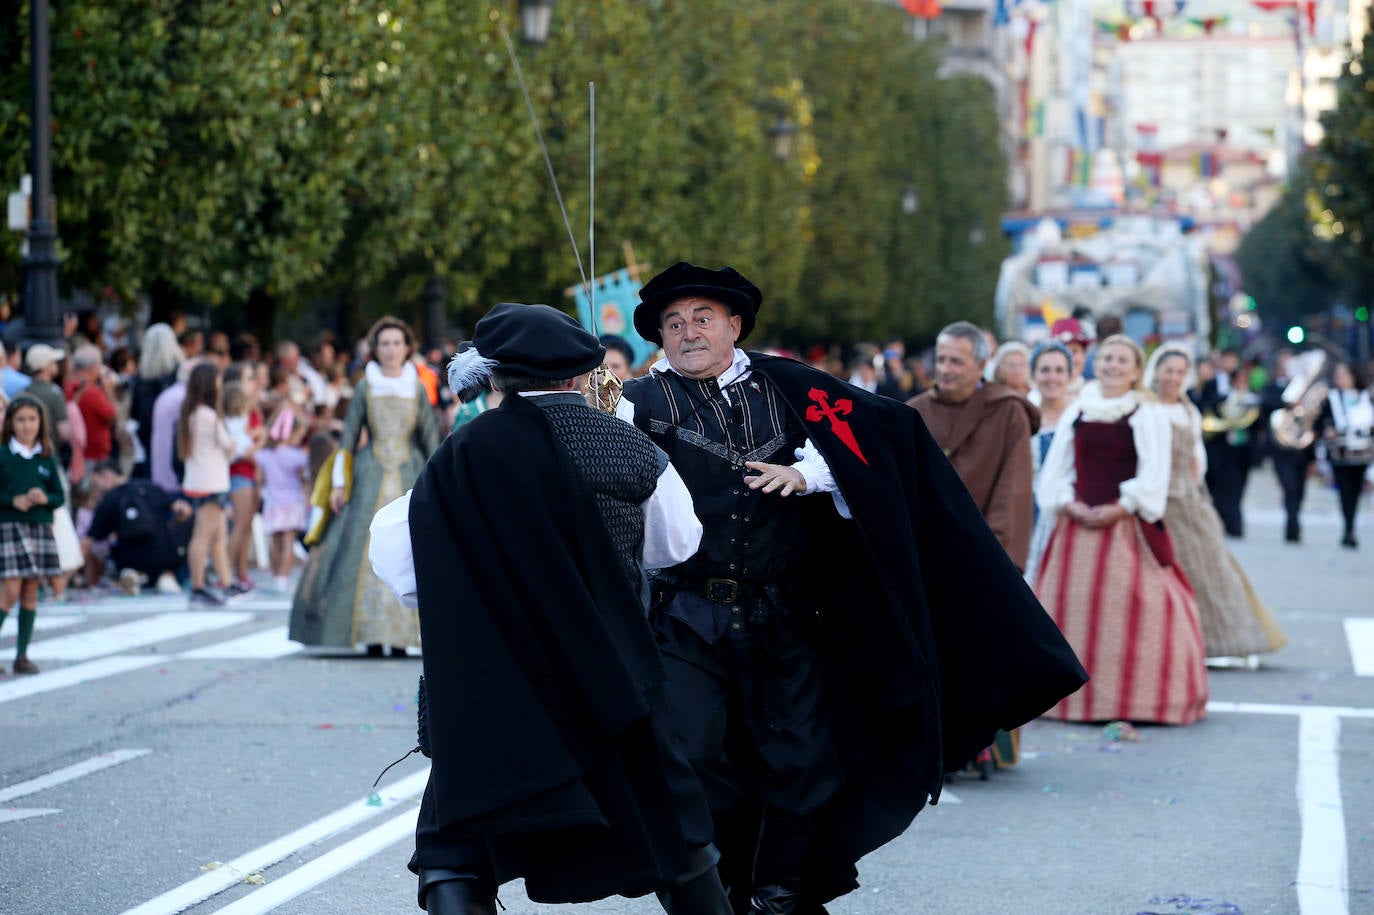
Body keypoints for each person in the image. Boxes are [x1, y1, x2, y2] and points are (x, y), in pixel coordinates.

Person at [620, 262, 1087, 912]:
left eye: (702, 317)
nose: (687, 331)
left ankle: (777, 895)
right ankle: (707, 895)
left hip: (784, 615)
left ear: (734, 324)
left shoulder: (789, 388)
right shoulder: (634, 404)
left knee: (802, 761)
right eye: (674, 323)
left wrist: (810, 475)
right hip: (687, 615)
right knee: (694, 760)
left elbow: (879, 437)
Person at [369, 302, 731, 915]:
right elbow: (679, 545)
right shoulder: (626, 445)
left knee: (454, 847)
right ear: (577, 376)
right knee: (671, 825)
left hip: (493, 691)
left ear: (497, 378)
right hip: (609, 681)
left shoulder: (461, 454)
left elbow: (398, 561)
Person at [1034, 335, 1208, 725]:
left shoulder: (1147, 412)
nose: (1112, 365)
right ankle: (1065, 700)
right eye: (1107, 358)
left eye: (1121, 360)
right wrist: (1067, 501)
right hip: (1075, 525)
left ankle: (1132, 702)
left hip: (1124, 526)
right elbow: (1057, 467)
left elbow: (1154, 472)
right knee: (1067, 611)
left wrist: (1123, 505)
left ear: (1135, 370)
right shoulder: (1078, 409)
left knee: (1136, 610)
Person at [289, 317, 440, 656]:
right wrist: (340, 484)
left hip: (408, 470)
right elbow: (346, 438)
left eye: (396, 343)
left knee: (407, 548)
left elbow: (430, 439)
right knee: (364, 549)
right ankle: (370, 634)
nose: (390, 350)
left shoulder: (415, 387)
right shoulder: (365, 386)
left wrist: (438, 481)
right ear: (376, 349)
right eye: (384, 343)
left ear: (406, 348)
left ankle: (402, 636)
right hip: (369, 472)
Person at [1146, 344, 1287, 662]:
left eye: (1180, 372)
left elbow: (1198, 458)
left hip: (1187, 500)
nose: (1173, 377)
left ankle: (1214, 641)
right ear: (1156, 372)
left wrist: (1193, 490)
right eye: (1168, 370)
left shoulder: (1188, 411)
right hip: (1153, 500)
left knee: (1209, 570)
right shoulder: (1145, 408)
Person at [909, 322, 1039, 571]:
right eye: (941, 360)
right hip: (923, 550)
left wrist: (996, 558)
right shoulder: (915, 411)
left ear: (981, 365)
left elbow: (1012, 490)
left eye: (956, 362)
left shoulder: (1008, 411)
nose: (945, 369)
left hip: (982, 553)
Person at [0, 395, 66, 675]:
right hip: (11, 526)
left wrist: (44, 498)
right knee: (10, 590)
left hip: (39, 526)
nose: (27, 426)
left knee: (30, 591)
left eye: (32, 419)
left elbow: (59, 496)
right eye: (21, 420)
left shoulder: (46, 457)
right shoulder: (3, 455)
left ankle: (22, 655)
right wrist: (12, 500)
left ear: (41, 423)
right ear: (10, 423)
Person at [178, 362, 236, 606]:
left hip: (201, 479)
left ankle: (227, 582)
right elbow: (229, 446)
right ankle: (198, 586)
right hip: (211, 482)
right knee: (204, 535)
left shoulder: (191, 413)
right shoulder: (208, 415)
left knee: (217, 534)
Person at [84, 466, 194, 591]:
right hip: (164, 555)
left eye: (95, 484)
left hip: (129, 557)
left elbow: (90, 539)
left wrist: (72, 574)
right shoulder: (150, 487)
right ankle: (166, 576)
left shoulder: (110, 499)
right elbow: (184, 510)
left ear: (106, 475)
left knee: (119, 554)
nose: (95, 489)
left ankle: (131, 573)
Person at [1024, 340, 1074, 584]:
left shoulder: (1080, 415)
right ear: (1034, 375)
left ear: (1069, 375)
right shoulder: (1021, 416)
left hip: (1069, 514)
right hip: (1028, 514)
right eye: (1045, 370)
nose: (1051, 377)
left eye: (1059, 370)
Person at [1259, 350, 1317, 543]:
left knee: (1299, 489)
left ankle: (1295, 519)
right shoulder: (1272, 389)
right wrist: (1288, 402)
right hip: (1281, 450)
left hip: (1302, 449)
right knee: (1289, 486)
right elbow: (1265, 405)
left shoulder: (1306, 389)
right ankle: (1292, 524)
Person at [1318, 361, 1373, 548]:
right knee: (1345, 491)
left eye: (1344, 375)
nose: (1340, 379)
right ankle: (1348, 528)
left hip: (1362, 454)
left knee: (1356, 491)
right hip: (1340, 455)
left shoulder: (1367, 397)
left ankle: (1351, 525)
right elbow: (1321, 422)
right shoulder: (1332, 398)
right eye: (1338, 375)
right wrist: (1328, 430)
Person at [255, 408, 310, 593]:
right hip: (292, 502)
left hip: (272, 503)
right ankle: (283, 579)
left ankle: (275, 576)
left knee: (275, 542)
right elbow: (304, 478)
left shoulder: (264, 455)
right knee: (288, 542)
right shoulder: (297, 457)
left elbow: (260, 480)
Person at [223, 364, 264, 596]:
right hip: (240, 471)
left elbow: (260, 437)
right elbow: (246, 443)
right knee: (240, 524)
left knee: (246, 524)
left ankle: (240, 573)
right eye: (249, 378)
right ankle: (226, 574)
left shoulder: (249, 409)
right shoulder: (235, 411)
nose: (254, 383)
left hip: (249, 472)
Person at [129, 323, 185, 479]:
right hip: (177, 443)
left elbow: (137, 417)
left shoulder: (141, 381)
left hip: (152, 445)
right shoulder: (181, 376)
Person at [69, 344, 119, 465]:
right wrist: (109, 392)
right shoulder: (92, 393)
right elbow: (113, 418)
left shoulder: (67, 385)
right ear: (93, 368)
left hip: (74, 454)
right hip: (93, 457)